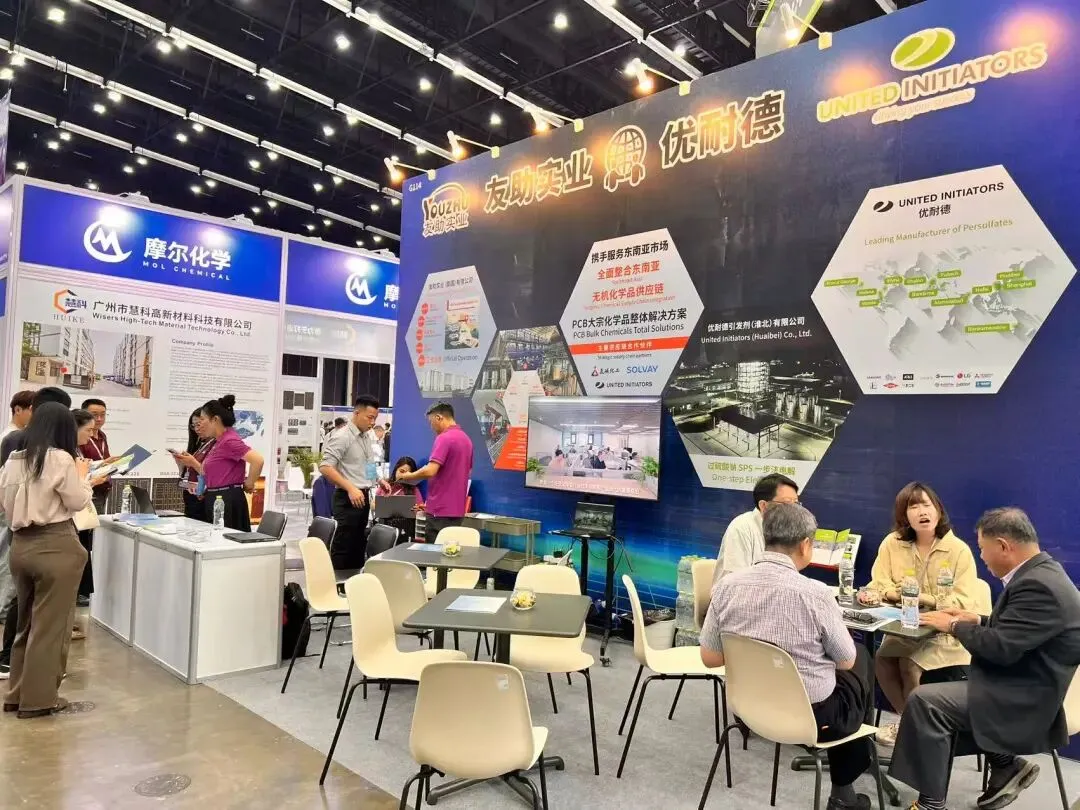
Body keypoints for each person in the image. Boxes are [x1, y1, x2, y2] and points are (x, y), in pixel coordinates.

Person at [890, 508, 1080, 810]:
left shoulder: (1037, 585)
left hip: (1029, 698)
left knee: (925, 701)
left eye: (982, 548)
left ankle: (931, 804)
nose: (981, 557)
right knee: (940, 678)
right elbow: (1021, 631)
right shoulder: (1043, 573)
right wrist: (977, 620)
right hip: (1029, 679)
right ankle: (1005, 765)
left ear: (1003, 546)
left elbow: (1000, 649)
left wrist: (954, 625)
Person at [701, 502, 874, 810]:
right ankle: (844, 789)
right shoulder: (816, 594)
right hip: (811, 717)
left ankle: (847, 783)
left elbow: (710, 658)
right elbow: (846, 661)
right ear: (806, 545)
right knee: (859, 660)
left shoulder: (726, 587)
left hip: (748, 708)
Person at [857, 482, 987, 746]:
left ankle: (914, 731)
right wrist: (890, 593)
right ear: (904, 515)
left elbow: (963, 601)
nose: (922, 512)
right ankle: (910, 723)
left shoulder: (958, 550)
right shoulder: (892, 543)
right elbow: (878, 582)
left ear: (938, 509)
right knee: (882, 659)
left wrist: (920, 598)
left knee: (909, 663)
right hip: (905, 629)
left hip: (945, 634)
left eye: (927, 505)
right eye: (913, 507)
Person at [0, 402, 92, 718]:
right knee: (50, 628)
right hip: (55, 544)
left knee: (25, 625)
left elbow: (3, 502)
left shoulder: (14, 459)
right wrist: (83, 478)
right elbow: (77, 501)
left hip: (20, 547)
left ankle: (16, 695)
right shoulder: (61, 459)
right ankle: (39, 700)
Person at [0, 387, 72, 682]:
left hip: (20, 536)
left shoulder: (16, 451)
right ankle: (37, 692)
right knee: (43, 620)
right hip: (47, 538)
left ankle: (16, 680)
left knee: (24, 607)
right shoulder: (56, 456)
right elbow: (76, 500)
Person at [177, 395, 263, 531]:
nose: (200, 425)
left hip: (227, 500)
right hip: (215, 497)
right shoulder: (219, 441)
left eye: (202, 420)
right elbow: (209, 470)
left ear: (215, 420)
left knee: (226, 539)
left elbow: (257, 460)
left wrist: (249, 483)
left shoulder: (229, 440)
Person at [396, 402, 474, 541]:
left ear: (438, 417)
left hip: (439, 510)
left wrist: (408, 476)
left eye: (431, 422)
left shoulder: (444, 438)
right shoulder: (467, 440)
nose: (431, 427)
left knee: (434, 552)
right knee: (450, 550)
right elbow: (467, 472)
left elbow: (431, 470)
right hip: (457, 511)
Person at [318, 395, 381, 569]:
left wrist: (378, 480)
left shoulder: (366, 436)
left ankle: (354, 582)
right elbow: (325, 467)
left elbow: (368, 462)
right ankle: (338, 583)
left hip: (363, 496)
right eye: (370, 417)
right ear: (357, 413)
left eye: (375, 418)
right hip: (347, 498)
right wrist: (350, 488)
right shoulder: (342, 436)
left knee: (358, 545)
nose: (372, 422)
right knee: (343, 547)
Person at [712, 472, 800, 584]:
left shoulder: (786, 529)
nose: (793, 510)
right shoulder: (741, 527)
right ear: (763, 505)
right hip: (736, 591)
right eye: (787, 503)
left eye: (795, 504)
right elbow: (737, 580)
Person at [0, 391, 35, 661]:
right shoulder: (13, 437)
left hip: (9, 507)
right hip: (9, 509)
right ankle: (4, 608)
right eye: (32, 409)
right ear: (18, 409)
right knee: (6, 559)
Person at [71, 409, 110, 638]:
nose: (91, 433)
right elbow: (75, 495)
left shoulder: (96, 440)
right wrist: (90, 483)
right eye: (87, 429)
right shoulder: (65, 454)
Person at [75, 400, 116, 608]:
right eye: (94, 415)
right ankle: (79, 591)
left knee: (88, 537)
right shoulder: (75, 444)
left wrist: (110, 464)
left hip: (99, 490)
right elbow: (81, 469)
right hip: (86, 493)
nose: (99, 419)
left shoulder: (102, 436)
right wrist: (92, 479)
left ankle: (83, 589)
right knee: (83, 538)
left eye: (103, 414)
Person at [172, 408, 215, 521]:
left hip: (205, 500)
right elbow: (186, 476)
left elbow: (213, 476)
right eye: (193, 425)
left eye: (199, 425)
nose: (196, 429)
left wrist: (193, 462)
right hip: (191, 498)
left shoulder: (218, 445)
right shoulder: (200, 444)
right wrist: (181, 465)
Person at [375, 456, 424, 541]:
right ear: (395, 470)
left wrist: (417, 509)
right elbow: (373, 505)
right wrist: (382, 502)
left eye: (408, 473)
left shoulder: (414, 489)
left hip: (406, 531)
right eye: (401, 471)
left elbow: (420, 509)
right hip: (385, 529)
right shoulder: (385, 485)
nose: (404, 475)